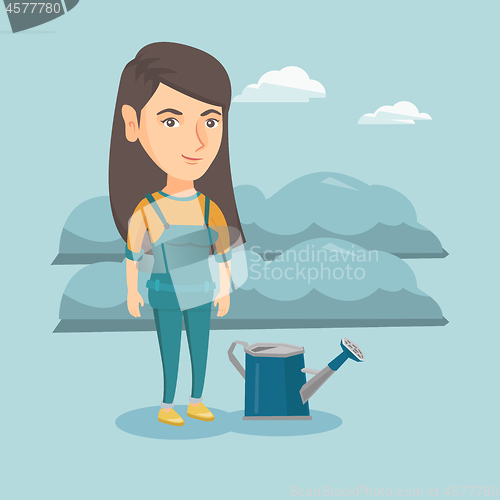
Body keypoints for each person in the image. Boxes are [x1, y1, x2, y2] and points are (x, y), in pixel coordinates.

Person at [109, 42, 245, 426]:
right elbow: (134, 256)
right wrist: (133, 290)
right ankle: (168, 404)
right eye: (171, 121)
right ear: (132, 124)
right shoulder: (146, 210)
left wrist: (224, 289)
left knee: (199, 349)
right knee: (170, 349)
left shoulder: (209, 207)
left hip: (202, 293)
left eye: (211, 121)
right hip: (164, 295)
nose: (198, 140)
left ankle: (196, 399)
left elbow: (222, 255)